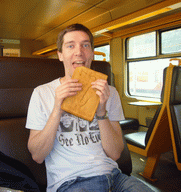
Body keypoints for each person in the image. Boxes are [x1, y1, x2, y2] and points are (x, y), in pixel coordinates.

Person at [26, 23, 153, 192]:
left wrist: (101, 113)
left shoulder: (110, 93)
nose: (79, 52)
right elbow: (37, 156)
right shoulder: (42, 93)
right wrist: (57, 109)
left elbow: (115, 154)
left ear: (92, 53)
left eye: (85, 45)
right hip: (71, 182)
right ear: (60, 55)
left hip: (115, 177)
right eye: (70, 45)